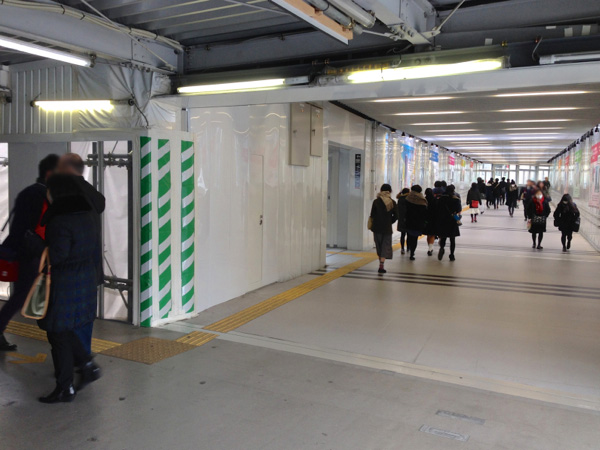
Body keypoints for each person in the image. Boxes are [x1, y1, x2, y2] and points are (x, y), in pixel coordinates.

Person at [37, 175, 102, 403]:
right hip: (85, 280)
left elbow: (58, 255)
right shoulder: (87, 215)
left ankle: (67, 385)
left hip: (64, 284)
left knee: (57, 333)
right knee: (64, 330)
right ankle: (85, 366)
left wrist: (37, 246)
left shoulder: (60, 221)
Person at [0, 154, 59, 351]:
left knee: (21, 296)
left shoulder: (30, 192)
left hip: (27, 254)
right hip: (32, 256)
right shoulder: (40, 195)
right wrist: (44, 252)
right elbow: (32, 229)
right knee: (24, 296)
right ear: (49, 174)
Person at [56, 153, 105, 357]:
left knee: (66, 319)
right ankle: (83, 357)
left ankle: (78, 360)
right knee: (85, 316)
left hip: (70, 270)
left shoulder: (67, 195)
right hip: (90, 267)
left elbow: (63, 239)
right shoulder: (91, 192)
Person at [369, 184, 397, 274]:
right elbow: (396, 215)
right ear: (390, 191)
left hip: (377, 227)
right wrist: (390, 221)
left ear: (381, 191)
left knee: (379, 246)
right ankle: (381, 264)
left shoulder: (376, 201)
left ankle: (380, 262)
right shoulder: (392, 202)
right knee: (385, 245)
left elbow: (372, 215)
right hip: (387, 228)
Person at [436, 185, 462, 261]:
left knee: (443, 237)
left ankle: (442, 247)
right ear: (453, 191)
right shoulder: (456, 200)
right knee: (452, 239)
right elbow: (458, 210)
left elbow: (437, 209)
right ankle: (452, 255)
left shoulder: (441, 199)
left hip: (443, 220)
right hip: (452, 221)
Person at [405, 185, 428, 261]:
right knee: (415, 238)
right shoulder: (423, 200)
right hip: (418, 222)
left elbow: (404, 210)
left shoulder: (408, 199)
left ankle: (408, 247)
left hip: (409, 220)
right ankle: (412, 253)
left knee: (409, 236)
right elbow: (425, 213)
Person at [396, 188, 410, 255]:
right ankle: (408, 247)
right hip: (408, 219)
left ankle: (402, 248)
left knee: (402, 235)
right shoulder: (409, 199)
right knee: (409, 234)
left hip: (401, 219)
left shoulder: (399, 199)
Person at [424, 188, 437, 256]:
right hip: (433, 219)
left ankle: (429, 247)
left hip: (426, 219)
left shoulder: (424, 200)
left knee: (428, 234)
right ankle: (430, 248)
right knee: (432, 234)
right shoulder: (435, 200)